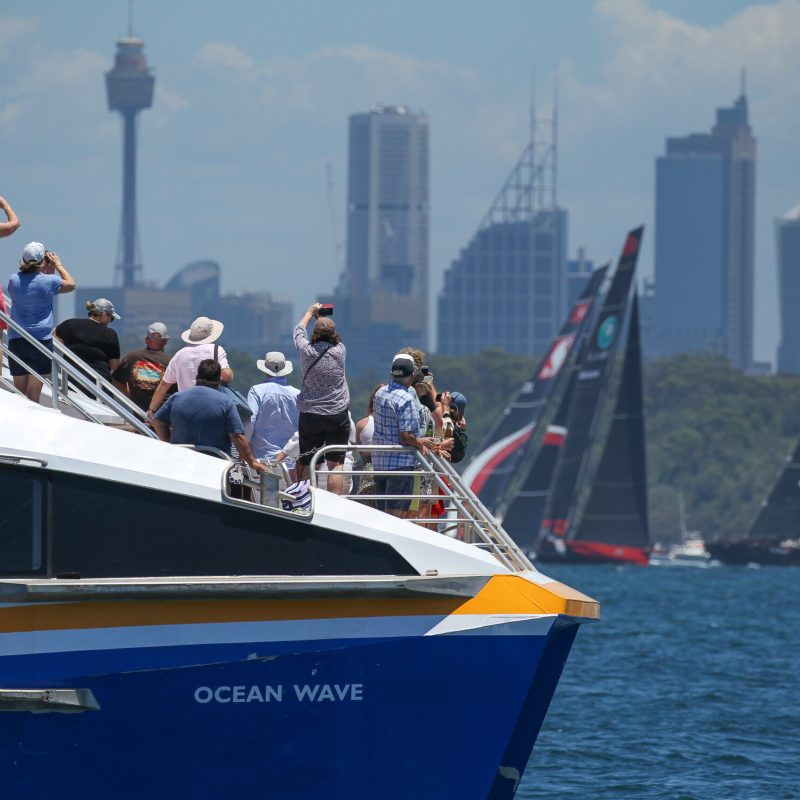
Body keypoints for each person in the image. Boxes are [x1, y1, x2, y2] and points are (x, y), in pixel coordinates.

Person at [151, 359, 265, 473]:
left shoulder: (177, 397)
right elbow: (237, 437)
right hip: (213, 465)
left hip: (180, 461)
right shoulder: (226, 403)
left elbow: (157, 422)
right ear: (219, 379)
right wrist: (252, 462)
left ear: (197, 376)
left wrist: (168, 444)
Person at [6, 242, 76, 402]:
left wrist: (43, 269)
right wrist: (57, 265)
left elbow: (27, 284)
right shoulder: (50, 281)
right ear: (42, 261)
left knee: (20, 394)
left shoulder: (13, 280)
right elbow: (71, 284)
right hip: (40, 340)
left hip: (17, 338)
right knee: (33, 394)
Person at [372, 356, 440, 518]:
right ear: (410, 377)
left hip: (380, 461)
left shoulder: (380, 393)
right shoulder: (406, 399)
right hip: (400, 463)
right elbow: (406, 436)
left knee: (382, 512)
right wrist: (421, 441)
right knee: (397, 513)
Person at [293, 303, 350, 493]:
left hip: (311, 414)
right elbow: (327, 335)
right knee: (335, 464)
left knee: (309, 462)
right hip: (336, 413)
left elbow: (298, 331)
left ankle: (306, 500)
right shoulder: (340, 350)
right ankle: (333, 503)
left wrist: (310, 313)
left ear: (315, 334)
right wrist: (323, 321)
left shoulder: (306, 351)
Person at [147, 316, 233, 418]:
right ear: (210, 334)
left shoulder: (179, 354)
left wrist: (152, 410)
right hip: (210, 408)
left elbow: (164, 385)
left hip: (184, 410)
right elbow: (227, 377)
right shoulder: (216, 350)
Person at [245, 351, 300, 468]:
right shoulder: (298, 395)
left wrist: (244, 451)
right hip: (290, 461)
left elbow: (250, 421)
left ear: (265, 369)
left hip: (261, 459)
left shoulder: (256, 391)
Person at [54, 298, 121, 385]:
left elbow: (53, 337)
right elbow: (114, 366)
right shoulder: (111, 334)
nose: (110, 321)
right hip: (99, 382)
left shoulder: (70, 324)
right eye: (111, 318)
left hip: (71, 378)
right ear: (103, 315)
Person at [112, 322, 173, 412]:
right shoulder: (171, 362)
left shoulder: (132, 357)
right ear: (165, 341)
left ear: (146, 340)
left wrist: (130, 396)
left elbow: (115, 380)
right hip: (162, 415)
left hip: (138, 414)